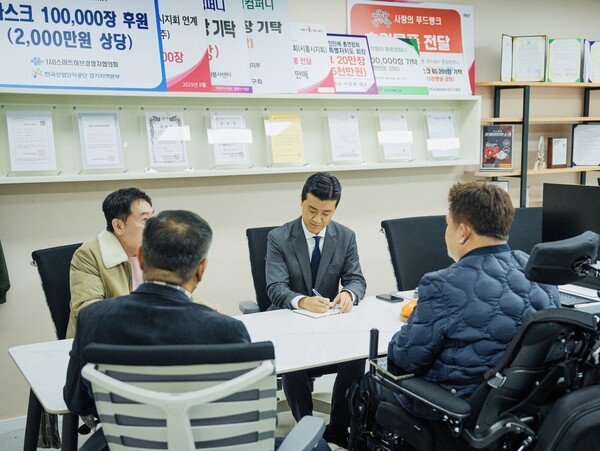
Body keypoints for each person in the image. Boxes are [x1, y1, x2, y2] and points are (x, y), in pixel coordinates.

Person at [64, 210, 331, 451]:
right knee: (318, 446)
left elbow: (77, 402)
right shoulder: (226, 330)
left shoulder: (94, 319)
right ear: (201, 269)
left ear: (142, 258)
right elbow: (250, 416)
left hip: (131, 444)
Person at [349, 182, 561, 450]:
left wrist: (417, 322)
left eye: (447, 224)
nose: (446, 232)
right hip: (514, 417)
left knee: (367, 383)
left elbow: (405, 358)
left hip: (452, 414)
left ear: (463, 232)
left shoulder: (443, 284)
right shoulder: (538, 272)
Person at [266, 172, 367, 448]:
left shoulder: (345, 236)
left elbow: (356, 280)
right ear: (301, 201)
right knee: (293, 361)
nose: (317, 220)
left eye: (326, 213)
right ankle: (307, 430)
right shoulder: (279, 238)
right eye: (312, 210)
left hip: (328, 325)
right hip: (290, 326)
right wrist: (301, 300)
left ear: (335, 209)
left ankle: (338, 427)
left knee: (357, 355)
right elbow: (275, 287)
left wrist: (348, 293)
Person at [66, 187, 153, 338]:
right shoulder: (88, 255)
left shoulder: (157, 250)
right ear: (119, 226)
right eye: (145, 220)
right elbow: (88, 312)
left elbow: (181, 293)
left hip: (149, 337)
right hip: (103, 342)